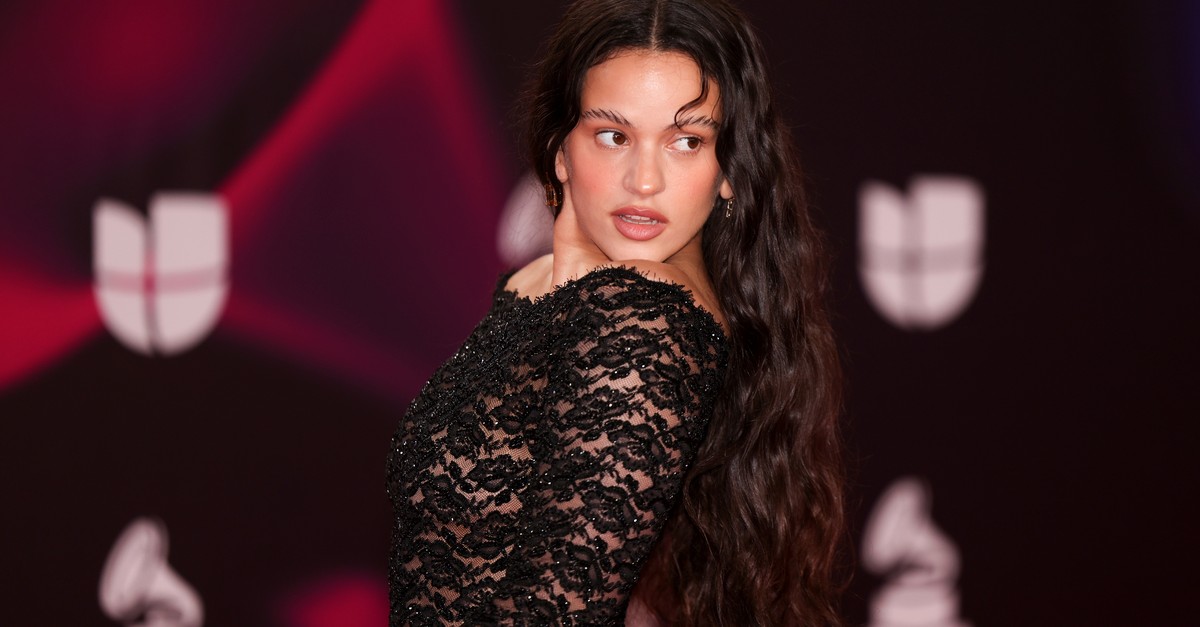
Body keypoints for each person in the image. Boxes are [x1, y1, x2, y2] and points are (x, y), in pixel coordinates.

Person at [385, 0, 846, 624]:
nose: (645, 180)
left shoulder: (647, 320)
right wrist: (575, 289)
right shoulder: (540, 284)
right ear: (560, 151)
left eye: (686, 141)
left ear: (728, 169)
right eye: (614, 136)